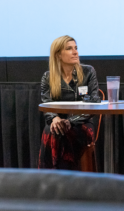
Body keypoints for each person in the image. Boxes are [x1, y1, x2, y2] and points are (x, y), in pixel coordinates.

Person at [39, 35, 100, 170]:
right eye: (69, 49)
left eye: (76, 48)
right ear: (58, 55)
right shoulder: (48, 77)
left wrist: (70, 121)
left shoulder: (88, 72)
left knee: (59, 132)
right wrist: (54, 118)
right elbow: (46, 103)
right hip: (58, 123)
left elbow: (94, 102)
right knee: (53, 129)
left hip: (82, 124)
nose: (75, 52)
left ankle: (51, 177)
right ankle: (57, 178)